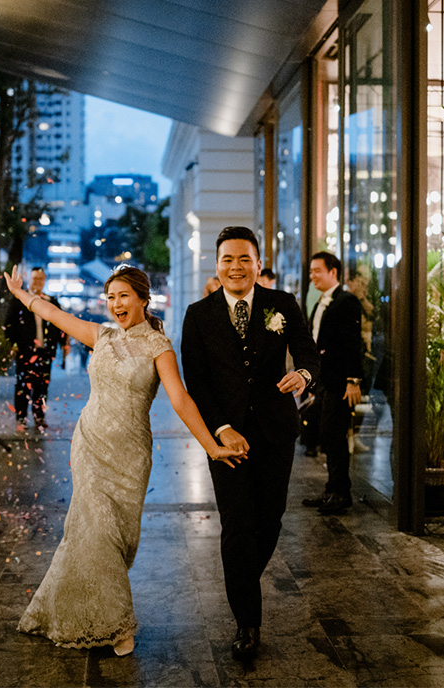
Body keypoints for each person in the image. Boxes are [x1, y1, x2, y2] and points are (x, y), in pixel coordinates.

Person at [4, 264, 243, 656]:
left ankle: (74, 607)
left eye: (123, 296)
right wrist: (22, 296)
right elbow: (54, 315)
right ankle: (117, 625)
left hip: (130, 454)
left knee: (113, 537)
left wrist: (211, 445)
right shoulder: (101, 335)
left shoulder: (158, 347)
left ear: (143, 300)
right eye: (111, 296)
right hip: (90, 444)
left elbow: (181, 400)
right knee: (91, 528)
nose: (115, 303)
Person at [181, 226, 320, 661]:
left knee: (270, 520)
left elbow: (309, 352)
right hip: (226, 441)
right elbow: (197, 382)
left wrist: (304, 375)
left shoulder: (282, 305)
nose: (236, 267)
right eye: (227, 259)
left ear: (258, 264)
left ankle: (240, 580)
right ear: (216, 264)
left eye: (245, 259)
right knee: (237, 526)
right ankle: (248, 622)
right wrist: (221, 428)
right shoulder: (198, 314)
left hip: (276, 431)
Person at [300, 252, 365, 515]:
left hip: (340, 382)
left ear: (333, 272)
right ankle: (332, 489)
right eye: (311, 272)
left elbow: (353, 343)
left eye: (317, 271)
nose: (313, 276)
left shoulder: (346, 301)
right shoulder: (321, 302)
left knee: (335, 436)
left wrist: (353, 380)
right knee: (327, 434)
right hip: (325, 381)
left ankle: (341, 493)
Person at [6, 267, 66, 431]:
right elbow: (9, 324)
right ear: (29, 280)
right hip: (26, 351)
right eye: (35, 279)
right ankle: (21, 418)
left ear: (44, 280)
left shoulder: (51, 302)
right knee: (23, 385)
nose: (38, 282)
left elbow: (60, 327)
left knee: (42, 386)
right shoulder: (20, 299)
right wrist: (13, 344)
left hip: (45, 351)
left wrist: (62, 345)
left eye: (41, 279)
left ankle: (39, 417)